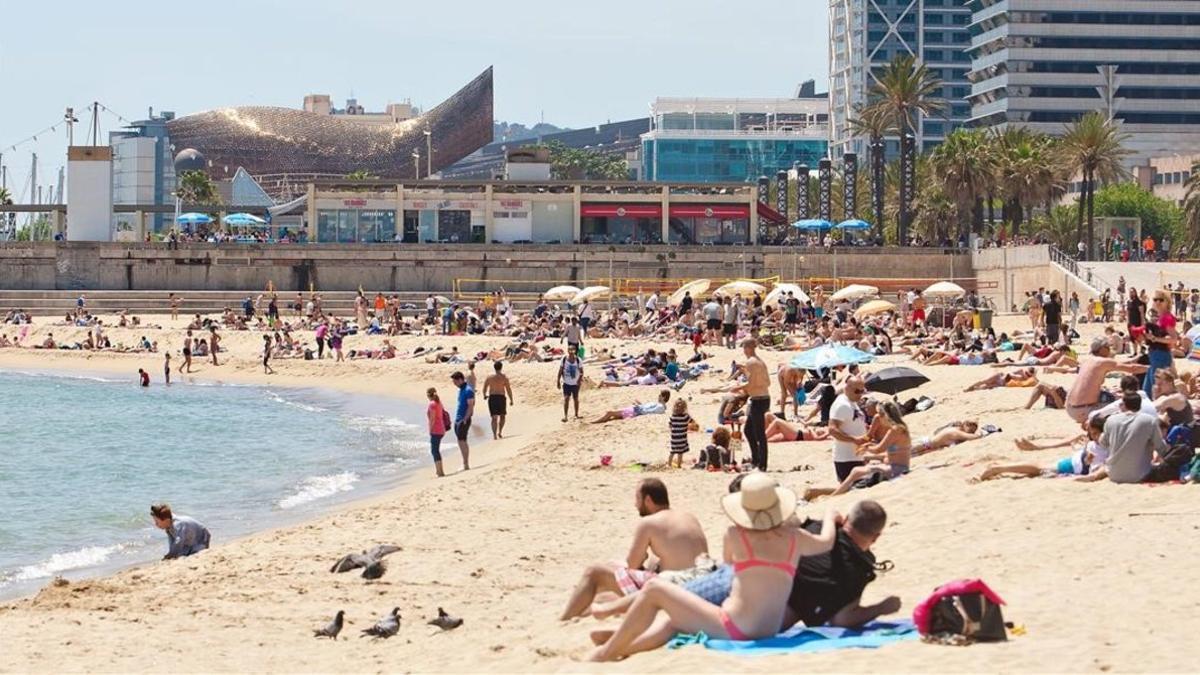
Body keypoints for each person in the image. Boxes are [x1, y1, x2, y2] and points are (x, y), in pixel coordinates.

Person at [587, 473, 837, 661]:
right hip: (769, 628)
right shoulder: (795, 539)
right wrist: (830, 516)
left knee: (654, 589)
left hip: (734, 625)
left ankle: (606, 653)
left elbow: (728, 569)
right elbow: (826, 541)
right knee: (673, 622)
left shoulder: (736, 536)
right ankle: (623, 646)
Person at [560, 478, 709, 620]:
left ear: (648, 500)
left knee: (594, 572)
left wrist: (640, 559)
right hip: (701, 585)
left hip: (675, 590)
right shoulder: (688, 517)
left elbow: (632, 565)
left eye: (637, 499)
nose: (635, 504)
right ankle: (589, 609)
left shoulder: (649, 523)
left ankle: (564, 620)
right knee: (606, 595)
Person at [1082, 392, 1185, 484]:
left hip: (1114, 474)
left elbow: (1103, 443)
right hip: (1141, 475)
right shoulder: (1149, 420)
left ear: (1125, 405)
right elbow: (1161, 448)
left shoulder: (1111, 420)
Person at [977, 416, 1107, 482]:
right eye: (1092, 434)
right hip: (1073, 466)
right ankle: (998, 468)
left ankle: (1001, 467)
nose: (1094, 436)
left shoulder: (1096, 445)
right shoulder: (1097, 446)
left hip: (1074, 463)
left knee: (1039, 468)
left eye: (1095, 433)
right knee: (1039, 468)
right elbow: (1094, 468)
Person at [1064, 338, 1146, 424]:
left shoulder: (1087, 360)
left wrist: (1135, 358)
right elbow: (1133, 369)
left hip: (1070, 408)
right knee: (1127, 404)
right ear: (1103, 349)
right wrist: (1151, 368)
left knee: (1112, 394)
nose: (1109, 350)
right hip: (1085, 410)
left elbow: (1119, 363)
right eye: (1108, 347)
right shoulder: (1103, 362)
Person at [735, 338, 771, 471]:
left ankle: (762, 464)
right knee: (749, 431)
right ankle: (756, 460)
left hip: (758, 399)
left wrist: (738, 388)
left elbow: (750, 384)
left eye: (744, 348)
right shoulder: (761, 362)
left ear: (748, 348)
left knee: (759, 433)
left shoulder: (750, 363)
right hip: (764, 397)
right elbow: (767, 382)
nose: (744, 351)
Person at [829, 376, 869, 481]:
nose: (860, 394)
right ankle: (812, 492)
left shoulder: (852, 402)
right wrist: (854, 440)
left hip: (856, 456)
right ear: (847, 388)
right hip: (846, 458)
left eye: (862, 391)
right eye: (857, 391)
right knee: (849, 488)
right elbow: (832, 430)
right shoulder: (842, 405)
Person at [1144, 291, 1179, 397]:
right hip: (1155, 354)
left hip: (1160, 355)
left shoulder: (1166, 317)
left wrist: (1155, 339)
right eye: (1155, 299)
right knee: (1149, 390)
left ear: (1167, 302)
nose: (1158, 302)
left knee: (1156, 390)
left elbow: (1173, 339)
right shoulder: (1161, 317)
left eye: (1161, 300)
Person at [591, 390, 672, 424]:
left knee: (610, 413)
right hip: (636, 410)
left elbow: (648, 412)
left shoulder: (660, 406)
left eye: (660, 395)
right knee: (613, 415)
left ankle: (595, 422)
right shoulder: (660, 405)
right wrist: (640, 404)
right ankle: (598, 421)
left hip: (635, 411)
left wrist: (639, 406)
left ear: (664, 397)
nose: (658, 396)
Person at [482, 361, 514, 439]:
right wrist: (511, 399)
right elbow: (508, 389)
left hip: (492, 398)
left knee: (494, 417)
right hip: (501, 397)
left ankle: (494, 435)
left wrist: (484, 395)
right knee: (502, 416)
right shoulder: (504, 377)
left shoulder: (489, 377)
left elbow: (484, 388)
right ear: (501, 367)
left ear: (494, 367)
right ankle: (500, 432)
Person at [450, 371, 474, 471]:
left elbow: (471, 406)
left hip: (464, 419)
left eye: (455, 382)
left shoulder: (468, 390)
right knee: (461, 441)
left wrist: (465, 419)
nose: (454, 384)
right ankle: (465, 463)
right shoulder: (461, 390)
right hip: (458, 419)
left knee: (462, 441)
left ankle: (465, 464)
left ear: (460, 379)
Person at [426, 387, 448, 477]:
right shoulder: (439, 403)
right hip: (441, 429)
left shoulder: (432, 404)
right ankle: (439, 470)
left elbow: (432, 418)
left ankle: (440, 471)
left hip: (436, 430)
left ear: (428, 395)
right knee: (435, 450)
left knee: (434, 450)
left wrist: (430, 429)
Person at [558, 350, 584, 422]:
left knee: (576, 399)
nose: (571, 355)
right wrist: (558, 381)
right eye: (570, 353)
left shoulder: (578, 360)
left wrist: (579, 380)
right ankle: (565, 416)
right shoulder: (564, 359)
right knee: (566, 399)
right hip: (566, 383)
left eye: (572, 353)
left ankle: (576, 414)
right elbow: (560, 370)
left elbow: (581, 371)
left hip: (575, 384)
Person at [667, 400, 694, 468]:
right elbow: (692, 421)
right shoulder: (686, 417)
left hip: (674, 438)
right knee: (680, 452)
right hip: (682, 438)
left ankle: (669, 464)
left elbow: (670, 425)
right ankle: (679, 465)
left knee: (672, 452)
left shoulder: (673, 416)